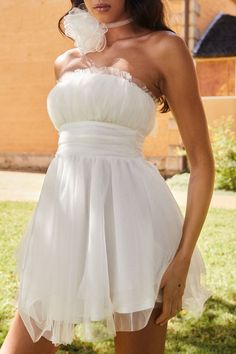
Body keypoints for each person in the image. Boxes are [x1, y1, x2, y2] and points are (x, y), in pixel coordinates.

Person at [0, 1, 215, 354]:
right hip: (63, 226)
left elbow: (202, 164)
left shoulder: (164, 48)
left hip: (135, 229)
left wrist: (182, 259)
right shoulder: (66, 62)